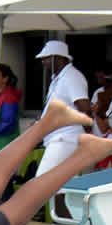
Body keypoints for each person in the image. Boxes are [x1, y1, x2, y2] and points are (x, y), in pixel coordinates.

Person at [35, 40, 91, 176]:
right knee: (60, 184)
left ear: (57, 57)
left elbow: (84, 107)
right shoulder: (58, 78)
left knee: (43, 180)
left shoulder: (72, 77)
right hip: (57, 137)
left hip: (66, 138)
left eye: (46, 58)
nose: (43, 62)